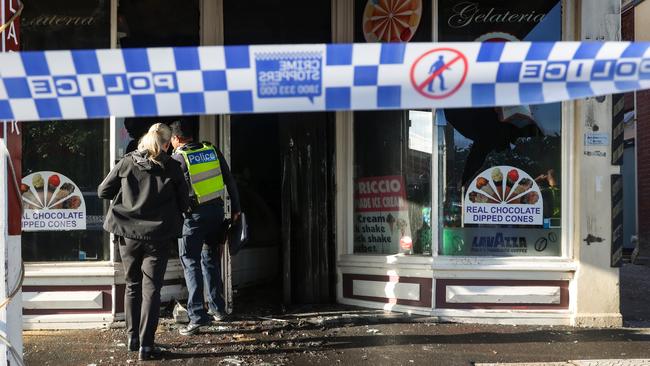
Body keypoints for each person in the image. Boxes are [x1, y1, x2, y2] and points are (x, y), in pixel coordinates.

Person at [98, 123, 189, 361]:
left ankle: (132, 338)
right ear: (168, 144)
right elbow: (185, 202)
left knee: (132, 285)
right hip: (157, 237)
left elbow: (103, 191)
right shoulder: (173, 167)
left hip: (128, 236)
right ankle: (146, 346)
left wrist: (127, 198)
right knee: (152, 290)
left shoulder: (128, 162)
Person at [170, 120, 241, 336]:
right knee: (210, 260)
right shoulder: (211, 150)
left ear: (176, 139)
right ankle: (218, 309)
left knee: (190, 262)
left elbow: (172, 193)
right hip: (216, 213)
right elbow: (229, 178)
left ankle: (197, 316)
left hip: (193, 218)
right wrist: (236, 208)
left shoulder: (178, 157)